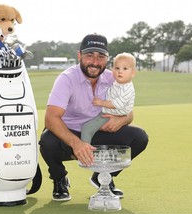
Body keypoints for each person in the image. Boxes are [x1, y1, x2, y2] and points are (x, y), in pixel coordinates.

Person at [39, 34, 149, 202]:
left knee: (139, 137)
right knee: (47, 141)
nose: (95, 62)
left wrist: (122, 119)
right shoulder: (66, 79)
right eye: (90, 55)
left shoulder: (114, 78)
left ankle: (102, 177)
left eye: (101, 57)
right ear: (79, 55)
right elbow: (51, 119)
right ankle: (59, 178)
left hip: (98, 132)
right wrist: (77, 144)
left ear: (107, 59)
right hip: (69, 134)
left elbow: (128, 111)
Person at [81, 52, 136, 143]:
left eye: (125, 68)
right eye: (117, 68)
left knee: (87, 128)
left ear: (133, 73)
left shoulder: (127, 89)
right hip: (109, 113)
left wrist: (101, 103)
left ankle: (85, 150)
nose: (120, 71)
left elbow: (116, 104)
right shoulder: (118, 83)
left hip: (111, 115)